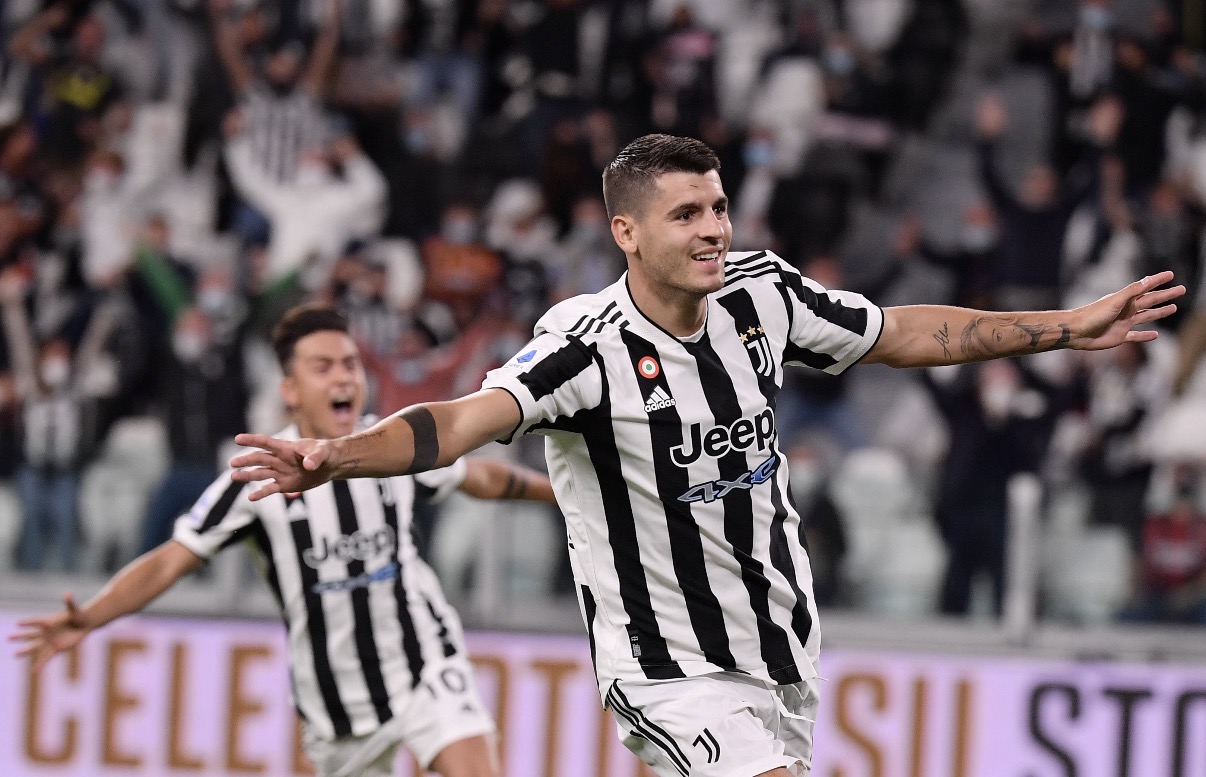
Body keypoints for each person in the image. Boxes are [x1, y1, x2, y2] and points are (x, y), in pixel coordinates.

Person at [226, 135, 1185, 777]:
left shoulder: (761, 292)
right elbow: (459, 420)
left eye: (718, 207)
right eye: (686, 213)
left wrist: (1064, 326)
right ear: (627, 232)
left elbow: (900, 331)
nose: (715, 229)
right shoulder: (583, 349)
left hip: (781, 645)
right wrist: (339, 455)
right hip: (666, 665)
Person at [10, 304, 558, 777]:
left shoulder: (387, 447)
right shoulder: (254, 478)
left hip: (425, 665)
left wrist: (560, 492)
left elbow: (480, 477)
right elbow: (171, 561)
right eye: (323, 367)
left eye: (350, 364)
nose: (343, 379)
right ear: (290, 390)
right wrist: (92, 616)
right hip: (336, 703)